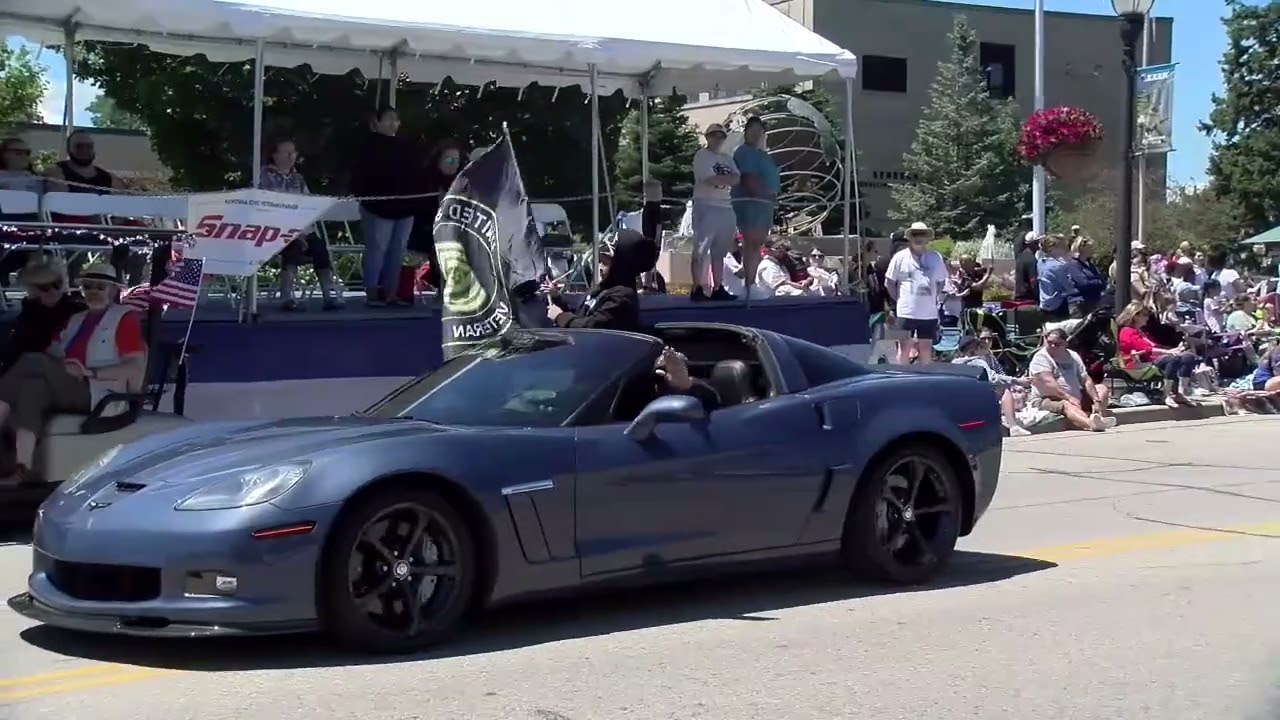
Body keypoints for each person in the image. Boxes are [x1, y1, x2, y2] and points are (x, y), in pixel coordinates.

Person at [0, 264, 145, 485]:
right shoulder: (76, 318)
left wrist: (90, 371)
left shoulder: (124, 319)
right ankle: (23, 470)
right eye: (88, 286)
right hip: (70, 383)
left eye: (100, 286)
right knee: (32, 387)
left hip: (99, 392)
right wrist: (62, 365)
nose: (93, 291)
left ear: (113, 290)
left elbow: (134, 366)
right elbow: (52, 353)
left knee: (32, 360)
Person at [260, 137, 343, 312]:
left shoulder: (298, 178)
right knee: (293, 247)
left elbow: (308, 204)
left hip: (302, 228)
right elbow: (268, 208)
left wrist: (304, 230)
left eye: (293, 152)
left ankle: (329, 294)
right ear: (275, 155)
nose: (291, 156)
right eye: (286, 152)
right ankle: (287, 296)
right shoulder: (265, 177)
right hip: (276, 230)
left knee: (319, 247)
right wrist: (294, 232)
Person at [351, 106, 417, 307]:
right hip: (377, 207)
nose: (393, 123)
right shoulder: (367, 147)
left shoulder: (404, 146)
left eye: (396, 120)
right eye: (388, 119)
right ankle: (372, 291)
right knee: (377, 248)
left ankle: (391, 292)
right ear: (376, 122)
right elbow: (361, 177)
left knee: (397, 249)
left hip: (404, 207)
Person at [545, 230, 658, 331]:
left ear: (621, 266)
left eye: (605, 262)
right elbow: (581, 313)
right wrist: (556, 297)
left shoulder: (621, 298)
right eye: (600, 261)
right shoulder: (605, 288)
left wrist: (560, 317)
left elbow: (591, 327)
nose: (600, 266)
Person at [2, 259, 85, 374]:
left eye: (57, 284)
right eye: (44, 287)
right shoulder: (30, 311)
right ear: (33, 289)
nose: (52, 291)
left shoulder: (77, 310)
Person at [1027, 327, 1116, 432]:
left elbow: (1086, 379)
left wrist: (1096, 399)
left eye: (1057, 344)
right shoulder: (1041, 357)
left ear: (1065, 343)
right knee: (1066, 404)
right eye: (1049, 342)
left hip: (1075, 396)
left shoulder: (1073, 356)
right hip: (1046, 399)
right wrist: (1069, 397)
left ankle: (1098, 416)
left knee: (1101, 388)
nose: (1052, 346)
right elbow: (1049, 383)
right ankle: (1091, 423)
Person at [884, 221, 948, 365]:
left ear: (927, 238)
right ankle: (901, 380)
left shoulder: (935, 257)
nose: (919, 238)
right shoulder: (899, 257)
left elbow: (941, 281)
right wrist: (899, 300)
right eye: (915, 234)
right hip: (905, 312)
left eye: (922, 234)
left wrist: (933, 297)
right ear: (910, 237)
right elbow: (889, 282)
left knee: (926, 349)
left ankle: (925, 382)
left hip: (928, 313)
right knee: (904, 347)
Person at [408, 138, 465, 298]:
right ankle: (444, 286)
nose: (452, 164)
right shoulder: (426, 181)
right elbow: (421, 212)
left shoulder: (462, 183)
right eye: (448, 159)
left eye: (456, 160)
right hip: (425, 231)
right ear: (438, 160)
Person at [689, 123, 740, 301]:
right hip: (706, 204)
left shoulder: (727, 157)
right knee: (701, 249)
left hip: (726, 206)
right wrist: (726, 180)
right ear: (707, 137)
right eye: (714, 135)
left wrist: (723, 180)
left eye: (721, 136)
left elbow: (737, 177)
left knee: (720, 251)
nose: (717, 139)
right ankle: (697, 287)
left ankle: (718, 287)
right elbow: (710, 178)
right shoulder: (702, 156)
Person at [731, 116, 779, 299]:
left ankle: (749, 280)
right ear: (746, 132)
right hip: (753, 204)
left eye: (760, 130)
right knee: (751, 244)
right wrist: (764, 196)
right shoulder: (744, 152)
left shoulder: (761, 154)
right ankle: (749, 286)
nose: (757, 134)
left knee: (757, 245)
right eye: (753, 130)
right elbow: (749, 178)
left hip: (764, 205)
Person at [1115, 301, 1198, 407]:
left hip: (1151, 360)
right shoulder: (1127, 331)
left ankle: (1180, 393)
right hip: (1137, 364)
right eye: (1144, 315)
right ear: (1135, 316)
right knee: (1171, 359)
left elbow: (1154, 347)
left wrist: (1177, 350)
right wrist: (1169, 352)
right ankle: (1166, 394)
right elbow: (1145, 349)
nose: (1147, 318)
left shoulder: (1141, 331)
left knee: (1188, 357)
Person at [952, 333, 1032, 436]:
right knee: (1004, 390)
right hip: (978, 395)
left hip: (962, 396)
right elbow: (993, 378)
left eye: (989, 339)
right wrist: (1017, 381)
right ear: (976, 349)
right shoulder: (977, 362)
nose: (987, 343)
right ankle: (1013, 426)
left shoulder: (954, 362)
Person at [1037, 234, 1080, 321]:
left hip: (1044, 303)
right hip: (1057, 305)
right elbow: (1068, 287)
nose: (1066, 249)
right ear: (1053, 248)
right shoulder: (1058, 266)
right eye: (1063, 246)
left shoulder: (1041, 262)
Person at [1065, 236, 1106, 312]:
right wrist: (1098, 282)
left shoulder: (1090, 264)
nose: (1092, 250)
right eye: (1089, 247)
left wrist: (1099, 282)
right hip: (1080, 304)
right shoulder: (1073, 264)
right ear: (1081, 248)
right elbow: (1083, 283)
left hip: (1094, 302)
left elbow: (1103, 281)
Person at [1013, 232, 1039, 303]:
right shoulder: (1031, 259)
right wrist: (1038, 296)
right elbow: (1033, 281)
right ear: (1032, 244)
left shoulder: (1021, 257)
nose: (1038, 246)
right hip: (1028, 298)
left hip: (1019, 297)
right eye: (1037, 243)